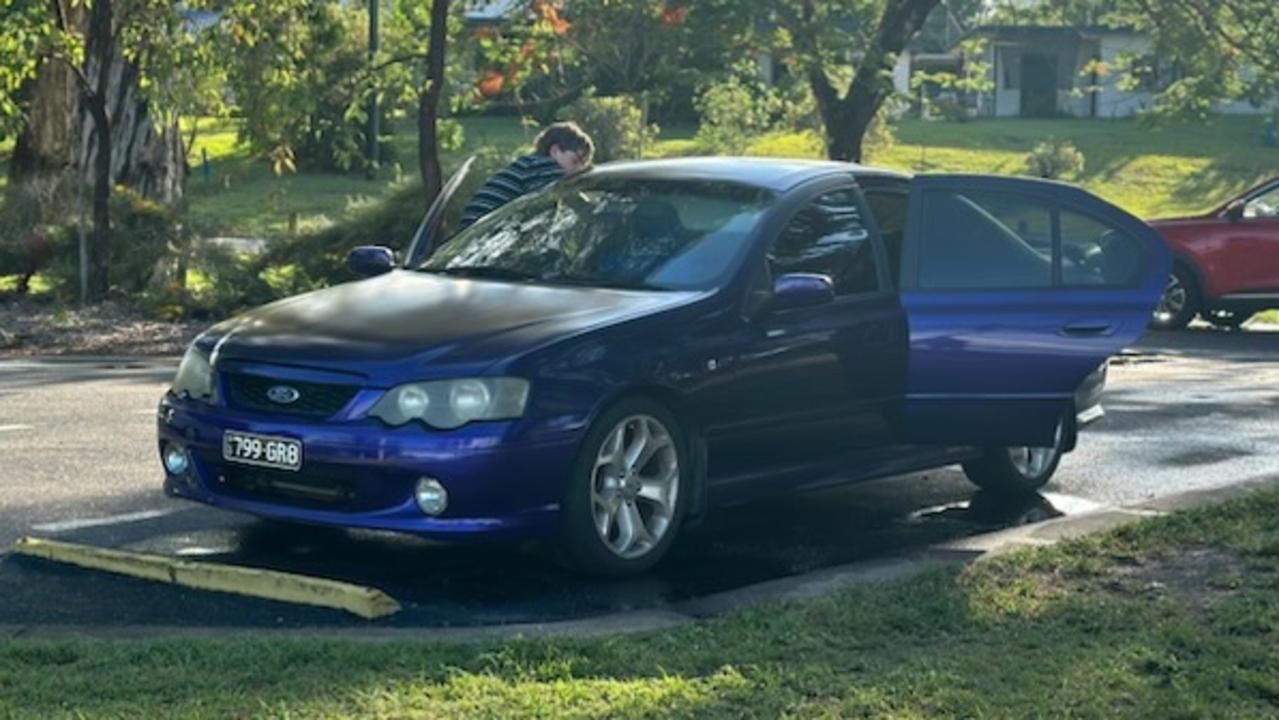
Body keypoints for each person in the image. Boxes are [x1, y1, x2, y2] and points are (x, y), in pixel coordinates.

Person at [458, 122, 595, 229]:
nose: (579, 170)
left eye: (583, 164)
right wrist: (595, 212)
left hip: (472, 230)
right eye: (575, 161)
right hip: (480, 232)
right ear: (555, 151)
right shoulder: (544, 166)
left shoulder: (529, 165)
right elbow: (571, 199)